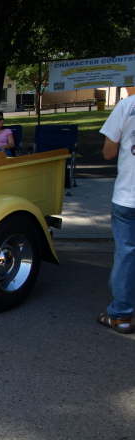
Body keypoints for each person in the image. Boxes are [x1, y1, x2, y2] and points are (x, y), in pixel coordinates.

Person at [97, 94, 135, 333]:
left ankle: (121, 315)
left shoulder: (127, 105)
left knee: (126, 254)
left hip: (128, 196)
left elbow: (108, 152)